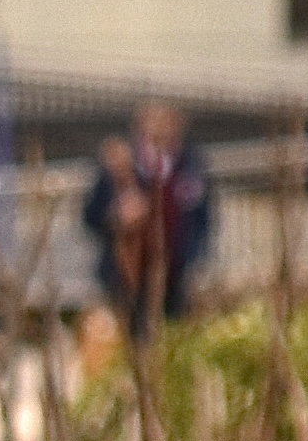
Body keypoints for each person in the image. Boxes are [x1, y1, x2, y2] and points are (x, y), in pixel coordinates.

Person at [80, 101, 214, 338]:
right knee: (136, 338)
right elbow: (91, 216)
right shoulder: (119, 168)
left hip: (176, 272)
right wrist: (118, 215)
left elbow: (203, 218)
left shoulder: (191, 164)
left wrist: (197, 258)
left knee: (175, 335)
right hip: (130, 275)